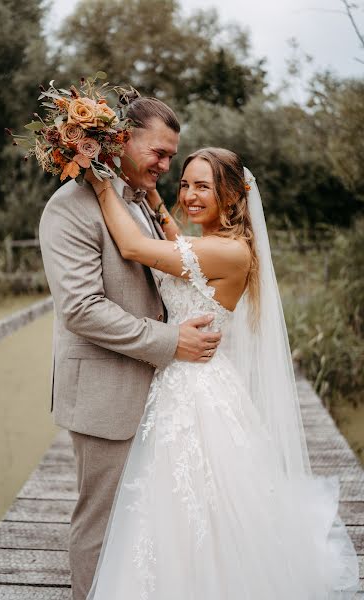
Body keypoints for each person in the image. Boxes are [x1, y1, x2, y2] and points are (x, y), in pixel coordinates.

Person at [84, 147, 359, 599]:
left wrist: (99, 182)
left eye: (203, 187)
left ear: (231, 196)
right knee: (173, 504)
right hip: (181, 377)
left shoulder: (228, 253)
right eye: (186, 184)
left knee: (196, 502)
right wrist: (154, 201)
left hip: (196, 390)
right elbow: (182, 250)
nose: (189, 195)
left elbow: (135, 247)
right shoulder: (216, 244)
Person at [38, 98, 222, 600]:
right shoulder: (70, 206)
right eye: (159, 153)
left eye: (171, 157)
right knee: (100, 522)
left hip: (157, 390)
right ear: (122, 140)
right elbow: (81, 308)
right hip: (105, 392)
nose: (166, 166)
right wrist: (171, 341)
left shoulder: (138, 199)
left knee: (143, 519)